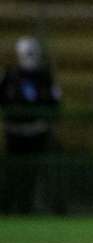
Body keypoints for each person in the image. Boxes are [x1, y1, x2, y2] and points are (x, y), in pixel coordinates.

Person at [0, 36, 62, 214]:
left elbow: (55, 102)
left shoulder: (44, 77)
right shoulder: (10, 76)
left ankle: (26, 207)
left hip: (37, 133)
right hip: (14, 134)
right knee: (13, 174)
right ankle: (7, 208)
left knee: (33, 175)